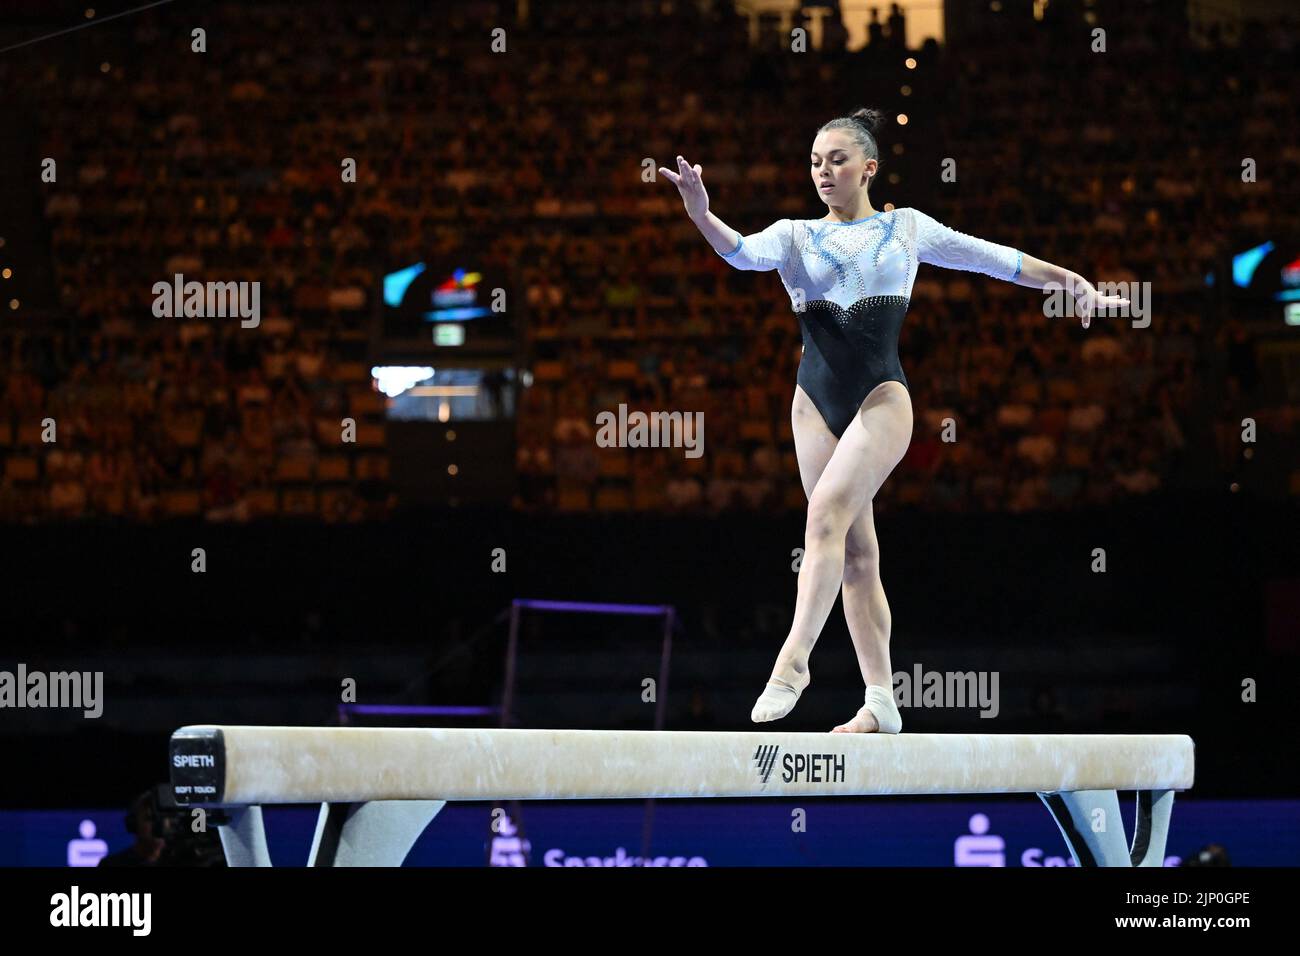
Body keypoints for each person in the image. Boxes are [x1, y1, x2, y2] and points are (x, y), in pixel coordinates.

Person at [658, 108, 1127, 734]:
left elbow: (996, 259)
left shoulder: (907, 228)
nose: (824, 171)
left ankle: (793, 662)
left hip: (882, 398)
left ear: (868, 167)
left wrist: (1071, 283)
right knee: (856, 552)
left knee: (822, 517)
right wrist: (699, 213)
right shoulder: (795, 235)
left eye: (838, 160)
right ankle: (881, 697)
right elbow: (740, 254)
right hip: (813, 405)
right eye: (816, 162)